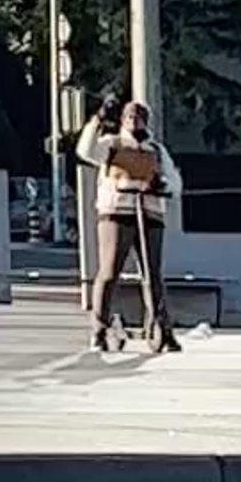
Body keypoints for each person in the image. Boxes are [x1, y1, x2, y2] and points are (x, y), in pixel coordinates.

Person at [90, 92, 176, 358]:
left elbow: (174, 181)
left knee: (152, 275)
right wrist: (97, 121)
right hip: (117, 212)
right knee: (109, 271)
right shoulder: (111, 144)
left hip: (149, 214)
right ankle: (99, 328)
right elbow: (86, 151)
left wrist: (163, 186)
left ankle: (162, 326)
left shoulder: (156, 150)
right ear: (122, 120)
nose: (134, 120)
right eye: (129, 116)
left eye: (139, 116)